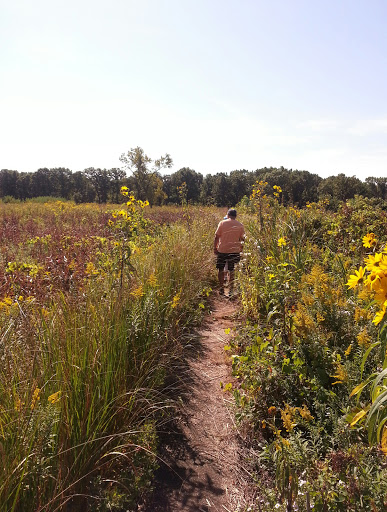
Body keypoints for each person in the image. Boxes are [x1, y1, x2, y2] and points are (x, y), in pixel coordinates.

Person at [214, 208, 245, 296]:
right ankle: (231, 290)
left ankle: (221, 289)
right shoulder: (240, 225)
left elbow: (216, 237)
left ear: (227, 215)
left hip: (222, 250)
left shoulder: (222, 223)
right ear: (235, 216)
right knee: (232, 270)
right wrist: (241, 249)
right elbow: (243, 239)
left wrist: (215, 248)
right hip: (235, 250)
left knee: (220, 269)